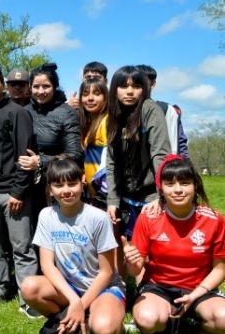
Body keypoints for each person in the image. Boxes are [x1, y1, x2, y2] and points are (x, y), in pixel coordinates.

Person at [124, 155, 225, 334]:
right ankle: (169, 330)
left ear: (195, 186)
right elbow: (135, 271)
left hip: (200, 288)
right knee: (146, 319)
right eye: (170, 184)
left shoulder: (214, 220)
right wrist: (131, 260)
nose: (178, 190)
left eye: (185, 183)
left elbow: (220, 269)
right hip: (159, 288)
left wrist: (195, 294)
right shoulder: (149, 216)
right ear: (161, 188)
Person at [20, 157, 126, 334]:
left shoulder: (99, 218)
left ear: (82, 182)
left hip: (103, 288)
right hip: (70, 288)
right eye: (59, 185)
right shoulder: (46, 215)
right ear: (50, 189)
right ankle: (69, 319)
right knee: (29, 287)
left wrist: (81, 303)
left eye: (72, 183)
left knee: (105, 332)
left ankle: (111, 322)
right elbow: (47, 265)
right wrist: (74, 300)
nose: (66, 190)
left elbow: (107, 272)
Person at [0, 63, 39, 317]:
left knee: (21, 247)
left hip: (13, 193)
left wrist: (18, 191)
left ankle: (28, 296)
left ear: (2, 84)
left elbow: (26, 155)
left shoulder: (18, 113)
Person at [106, 66, 171, 238]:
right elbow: (112, 163)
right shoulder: (113, 115)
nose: (129, 92)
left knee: (153, 251)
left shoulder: (150, 109)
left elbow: (160, 154)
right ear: (114, 89)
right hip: (126, 197)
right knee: (130, 250)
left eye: (136, 86)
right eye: (123, 86)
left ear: (144, 89)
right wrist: (112, 201)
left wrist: (161, 195)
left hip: (151, 196)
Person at [18, 63, 82, 223]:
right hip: (25, 185)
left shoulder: (66, 113)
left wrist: (40, 161)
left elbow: (75, 154)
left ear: (54, 86)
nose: (40, 91)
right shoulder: (24, 111)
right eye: (36, 86)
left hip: (55, 185)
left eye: (46, 86)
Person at [135, 64, 189, 158]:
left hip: (164, 164)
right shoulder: (123, 110)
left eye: (144, 81)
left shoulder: (167, 110)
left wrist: (184, 161)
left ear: (153, 84)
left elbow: (180, 141)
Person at [77, 78, 110, 209]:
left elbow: (109, 162)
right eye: (85, 94)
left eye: (96, 93)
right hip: (93, 194)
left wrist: (104, 192)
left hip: (104, 195)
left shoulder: (108, 121)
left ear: (106, 97)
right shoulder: (89, 122)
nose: (90, 98)